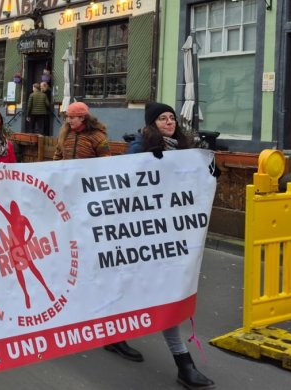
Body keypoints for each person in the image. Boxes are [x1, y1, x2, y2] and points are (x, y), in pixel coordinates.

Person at [114, 102, 215, 390]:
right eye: (162, 118)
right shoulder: (138, 148)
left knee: (163, 291)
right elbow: (124, 186)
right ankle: (184, 364)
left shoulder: (185, 151)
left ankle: (182, 365)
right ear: (152, 123)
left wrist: (208, 176)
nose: (169, 122)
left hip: (172, 235)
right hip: (143, 234)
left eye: (172, 117)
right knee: (150, 289)